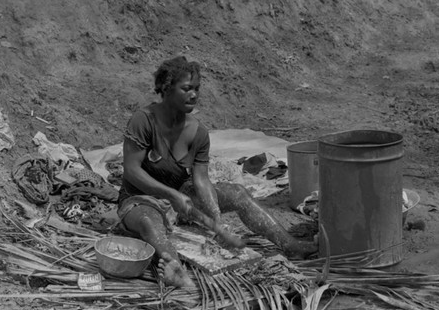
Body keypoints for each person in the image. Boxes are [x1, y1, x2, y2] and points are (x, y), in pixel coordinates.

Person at [118, 56, 318, 288]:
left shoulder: (198, 131)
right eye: (186, 89)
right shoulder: (143, 121)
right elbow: (131, 171)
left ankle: (289, 245)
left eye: (197, 89)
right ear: (166, 88)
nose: (194, 95)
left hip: (181, 198)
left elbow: (201, 180)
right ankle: (176, 270)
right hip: (139, 200)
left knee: (237, 193)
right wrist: (170, 195)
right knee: (148, 222)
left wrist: (216, 220)